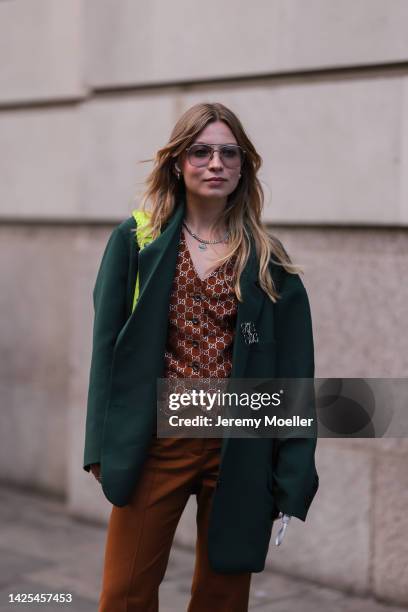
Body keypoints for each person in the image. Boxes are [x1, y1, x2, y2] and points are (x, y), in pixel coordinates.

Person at [83, 102, 319, 612]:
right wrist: (99, 445)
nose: (216, 163)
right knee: (123, 594)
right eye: (201, 151)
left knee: (222, 597)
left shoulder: (267, 259)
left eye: (229, 153)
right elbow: (106, 352)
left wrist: (294, 471)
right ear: (178, 163)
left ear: (243, 166)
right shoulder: (136, 239)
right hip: (156, 443)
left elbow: (294, 374)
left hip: (240, 449)